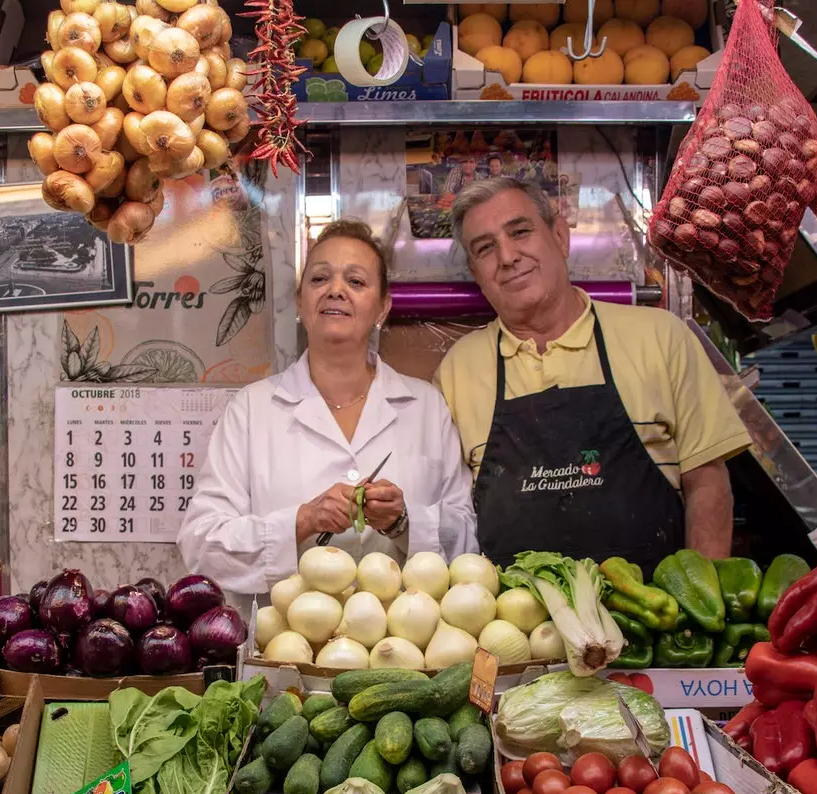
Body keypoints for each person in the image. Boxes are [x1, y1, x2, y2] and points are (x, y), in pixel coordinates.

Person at [435, 176, 751, 569]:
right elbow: (451, 514)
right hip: (514, 625)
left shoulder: (661, 337)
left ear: (560, 238)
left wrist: (702, 604)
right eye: (485, 248)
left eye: (520, 232)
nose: (507, 256)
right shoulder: (456, 371)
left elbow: (707, 484)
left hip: (654, 616)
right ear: (475, 271)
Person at [179, 219, 476, 598]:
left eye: (356, 281)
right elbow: (201, 547)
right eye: (320, 279)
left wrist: (404, 522)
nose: (336, 290)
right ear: (300, 301)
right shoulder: (252, 409)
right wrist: (300, 521)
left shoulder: (426, 408)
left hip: (404, 648)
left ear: (382, 307)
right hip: (284, 650)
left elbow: (468, 541)